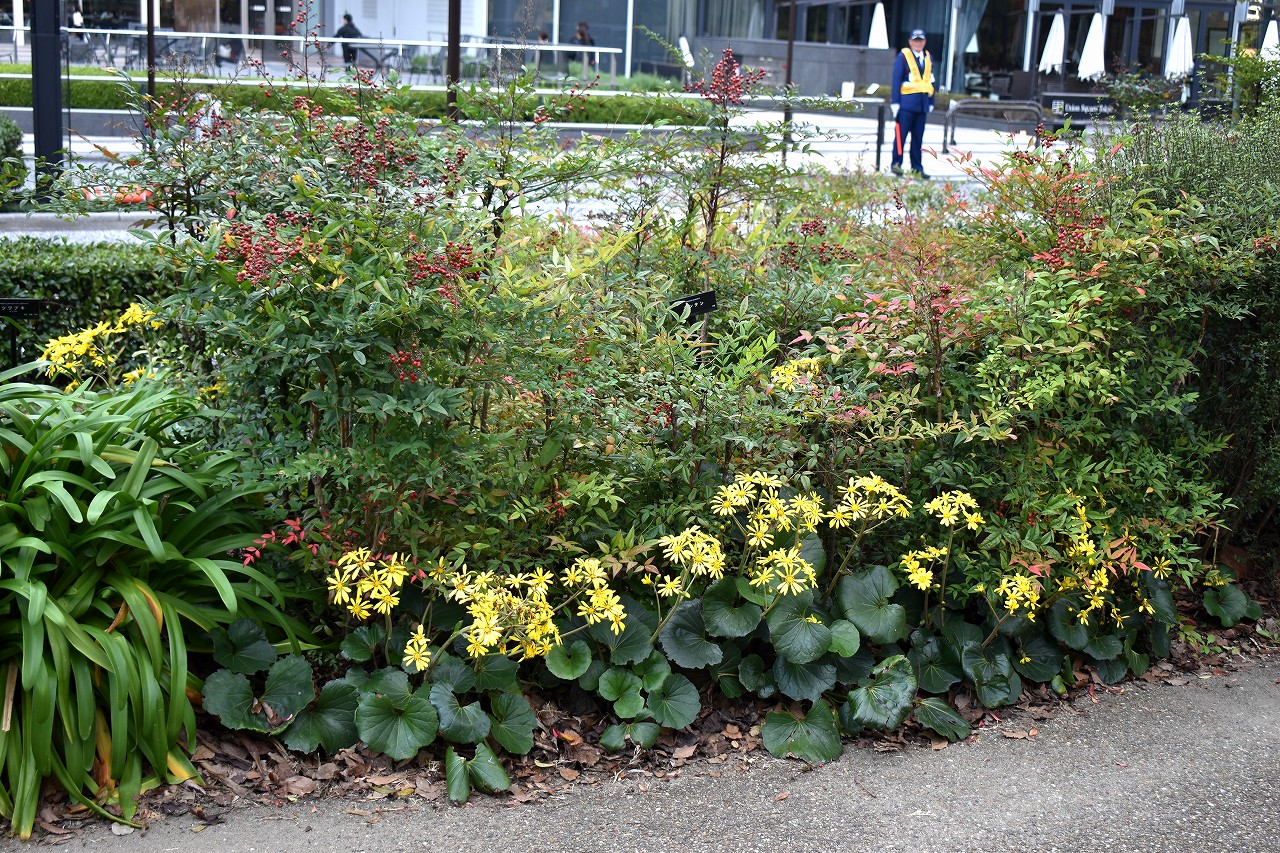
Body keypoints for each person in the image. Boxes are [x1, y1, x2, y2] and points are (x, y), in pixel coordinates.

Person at [889, 28, 935, 179]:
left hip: (922, 106)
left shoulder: (928, 57)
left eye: (920, 40)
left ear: (925, 42)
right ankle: (897, 165)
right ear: (910, 41)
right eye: (915, 40)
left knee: (918, 139)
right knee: (901, 137)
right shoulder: (903, 56)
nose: (918, 43)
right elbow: (896, 80)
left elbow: (931, 81)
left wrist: (931, 101)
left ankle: (917, 168)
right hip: (906, 106)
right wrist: (895, 103)